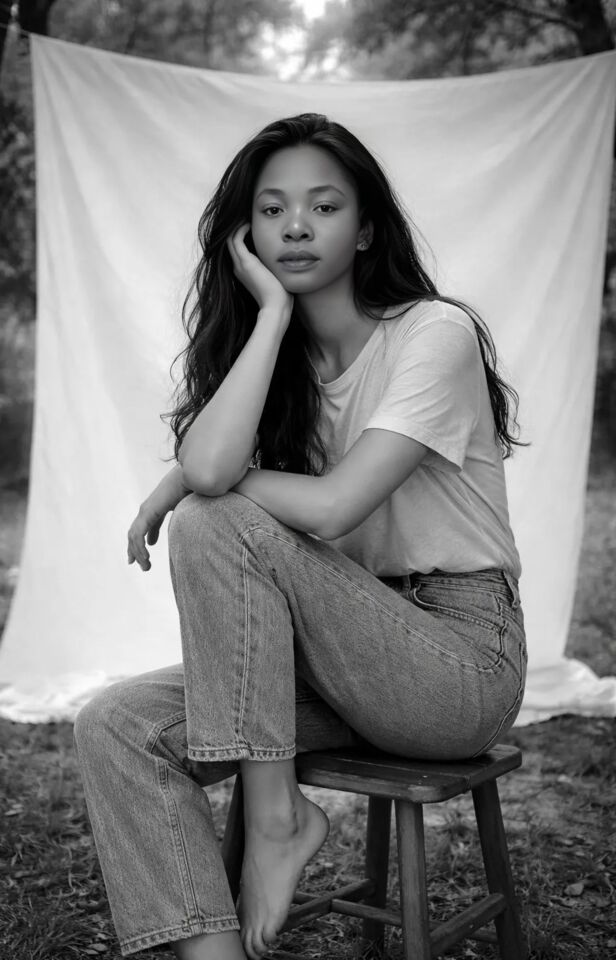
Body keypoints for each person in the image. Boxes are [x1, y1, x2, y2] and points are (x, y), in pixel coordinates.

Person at [74, 113, 527, 960]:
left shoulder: (433, 334)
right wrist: (273, 315)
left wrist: (187, 482)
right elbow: (215, 466)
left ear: (366, 230)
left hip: (458, 664)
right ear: (246, 234)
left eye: (324, 207)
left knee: (213, 516)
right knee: (116, 724)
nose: (295, 227)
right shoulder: (273, 365)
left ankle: (276, 819)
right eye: (273, 209)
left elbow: (329, 508)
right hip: (338, 659)